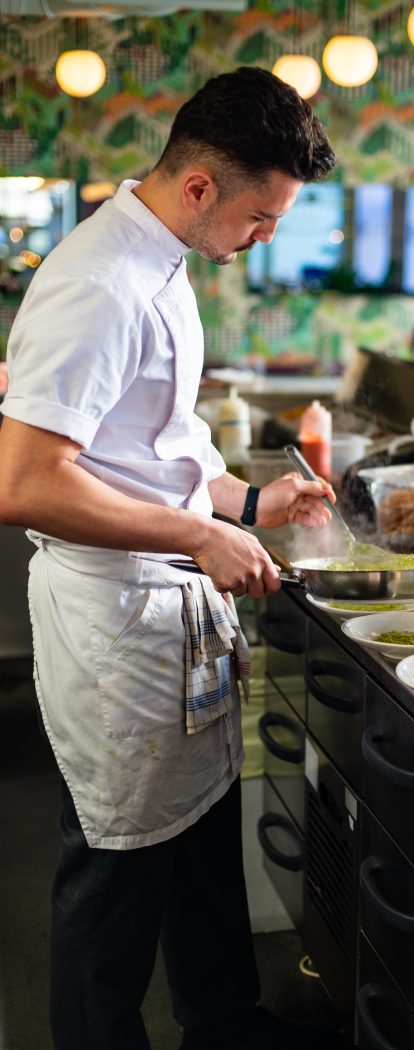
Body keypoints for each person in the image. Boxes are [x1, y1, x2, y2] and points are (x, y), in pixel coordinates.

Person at [0, 67, 340, 1050]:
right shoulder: (100, 281)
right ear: (200, 186)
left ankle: (225, 1023)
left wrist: (243, 500)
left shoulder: (161, 261)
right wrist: (199, 535)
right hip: (115, 625)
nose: (265, 237)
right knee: (113, 874)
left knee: (194, 848)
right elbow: (24, 480)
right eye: (262, 216)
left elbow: (144, 443)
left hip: (165, 618)